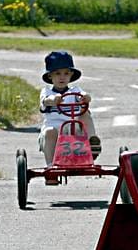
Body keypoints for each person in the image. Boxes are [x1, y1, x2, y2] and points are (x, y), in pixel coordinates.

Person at [39, 51, 101, 179]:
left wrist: (85, 98)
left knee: (85, 115)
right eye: (57, 73)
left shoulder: (75, 91)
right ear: (50, 76)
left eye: (66, 73)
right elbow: (45, 101)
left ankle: (91, 142)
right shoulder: (47, 91)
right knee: (49, 132)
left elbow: (84, 97)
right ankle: (51, 169)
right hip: (54, 130)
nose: (62, 77)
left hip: (74, 129)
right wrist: (53, 100)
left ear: (71, 75)